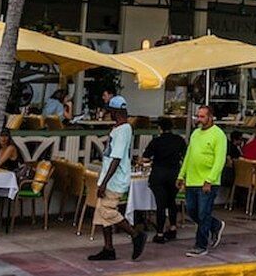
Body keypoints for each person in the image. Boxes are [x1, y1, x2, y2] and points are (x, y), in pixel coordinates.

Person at [89, 96, 146, 262]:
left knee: (107, 211)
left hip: (115, 180)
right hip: (108, 178)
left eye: (110, 111)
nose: (109, 114)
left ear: (115, 112)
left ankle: (135, 234)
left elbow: (116, 158)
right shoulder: (119, 128)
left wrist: (105, 182)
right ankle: (108, 248)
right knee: (101, 214)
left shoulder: (123, 130)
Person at [177, 105, 227, 257]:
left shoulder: (219, 135)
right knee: (193, 212)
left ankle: (201, 245)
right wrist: (181, 175)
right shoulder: (195, 134)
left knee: (203, 213)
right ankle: (215, 225)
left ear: (210, 117)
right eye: (198, 116)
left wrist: (209, 180)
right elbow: (189, 156)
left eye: (202, 117)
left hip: (207, 182)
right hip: (192, 180)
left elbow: (220, 160)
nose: (199, 119)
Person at [143, 116, 186, 244]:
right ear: (172, 128)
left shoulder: (156, 141)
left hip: (158, 174)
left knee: (160, 205)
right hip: (174, 174)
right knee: (172, 201)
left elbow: (145, 158)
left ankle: (160, 233)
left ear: (159, 128)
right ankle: (173, 227)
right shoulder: (179, 140)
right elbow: (185, 157)